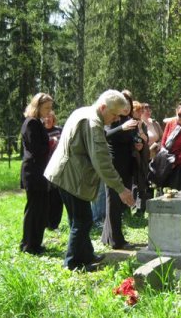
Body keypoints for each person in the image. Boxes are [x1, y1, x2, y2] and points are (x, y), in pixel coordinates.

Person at [44, 89, 134, 271]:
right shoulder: (93, 123)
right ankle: (72, 263)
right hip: (71, 177)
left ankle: (85, 254)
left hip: (67, 174)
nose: (116, 119)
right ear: (103, 107)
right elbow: (102, 161)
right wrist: (121, 189)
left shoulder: (84, 111)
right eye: (114, 114)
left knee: (79, 219)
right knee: (82, 220)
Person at [101, 91, 140, 249]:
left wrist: (138, 144)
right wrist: (121, 128)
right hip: (114, 163)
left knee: (119, 204)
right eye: (123, 105)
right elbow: (106, 135)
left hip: (127, 165)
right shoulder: (114, 119)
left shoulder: (132, 121)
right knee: (113, 201)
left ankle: (107, 237)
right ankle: (117, 240)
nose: (126, 108)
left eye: (128, 104)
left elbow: (133, 140)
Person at [20, 92, 53, 255]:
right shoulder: (31, 123)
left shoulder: (36, 122)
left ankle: (34, 243)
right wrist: (51, 143)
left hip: (39, 171)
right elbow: (36, 149)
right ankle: (28, 245)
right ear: (37, 107)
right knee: (34, 209)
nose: (49, 111)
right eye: (46, 108)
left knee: (40, 209)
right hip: (33, 172)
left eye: (50, 108)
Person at [44, 111, 64, 230]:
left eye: (50, 117)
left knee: (57, 196)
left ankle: (55, 223)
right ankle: (46, 222)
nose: (48, 119)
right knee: (46, 196)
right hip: (44, 167)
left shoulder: (60, 130)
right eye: (46, 117)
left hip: (57, 167)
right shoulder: (40, 131)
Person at [130, 101, 150, 217]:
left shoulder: (142, 124)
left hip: (143, 155)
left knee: (142, 179)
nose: (139, 112)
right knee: (134, 181)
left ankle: (140, 208)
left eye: (140, 110)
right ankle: (132, 206)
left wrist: (140, 129)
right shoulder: (129, 123)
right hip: (133, 156)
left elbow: (146, 139)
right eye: (137, 110)